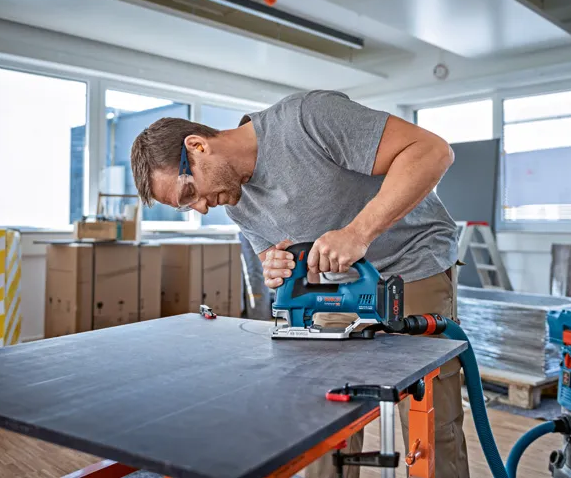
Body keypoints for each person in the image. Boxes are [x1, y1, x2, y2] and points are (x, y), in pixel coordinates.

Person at [130, 90, 467, 478]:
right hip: (341, 287)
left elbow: (432, 151)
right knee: (326, 412)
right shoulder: (233, 198)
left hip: (411, 262)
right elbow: (279, 262)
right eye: (187, 206)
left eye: (189, 192)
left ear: (198, 146)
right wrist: (278, 267)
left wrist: (358, 233)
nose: (202, 207)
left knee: (426, 412)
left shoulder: (306, 120)